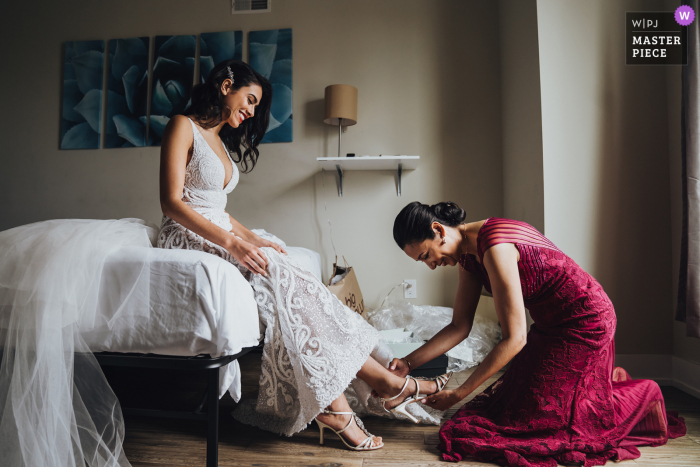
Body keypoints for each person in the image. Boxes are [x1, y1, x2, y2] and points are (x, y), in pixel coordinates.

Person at [157, 60, 450, 451]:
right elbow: (172, 202)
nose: (251, 112)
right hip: (185, 233)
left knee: (289, 271)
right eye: (249, 100)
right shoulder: (183, 125)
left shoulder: (219, 139)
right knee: (279, 277)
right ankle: (373, 389)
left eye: (255, 107)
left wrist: (249, 238)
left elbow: (219, 209)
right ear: (226, 85)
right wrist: (233, 244)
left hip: (217, 229)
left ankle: (362, 394)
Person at [391, 201, 687, 466]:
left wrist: (459, 393)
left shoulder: (494, 247)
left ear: (438, 229)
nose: (431, 265)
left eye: (427, 255)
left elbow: (515, 338)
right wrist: (408, 363)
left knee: (544, 427)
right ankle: (592, 390)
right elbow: (459, 326)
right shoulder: (468, 256)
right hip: (549, 326)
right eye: (423, 261)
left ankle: (644, 394)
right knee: (508, 411)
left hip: (586, 323)